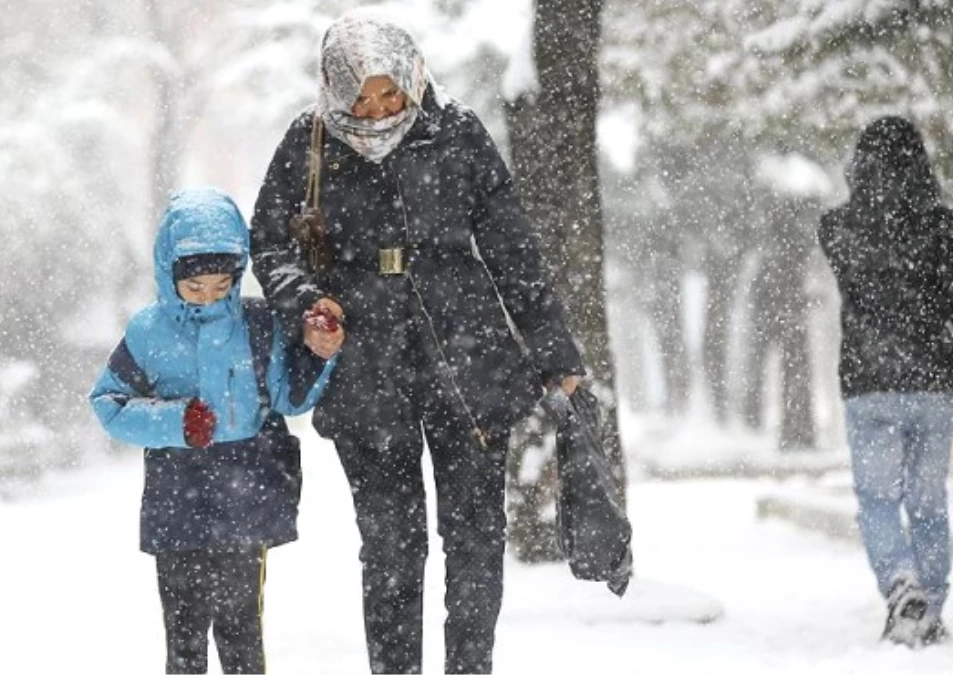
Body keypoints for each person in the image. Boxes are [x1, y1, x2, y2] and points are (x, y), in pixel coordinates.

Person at [249, 11, 584, 675]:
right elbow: (271, 241)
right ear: (333, 89)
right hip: (364, 369)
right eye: (360, 98)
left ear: (410, 75)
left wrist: (556, 356)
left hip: (470, 361)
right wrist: (307, 302)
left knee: (475, 539)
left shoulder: (456, 132)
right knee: (391, 547)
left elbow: (513, 250)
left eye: (388, 93)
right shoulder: (308, 142)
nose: (376, 111)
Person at [89, 187, 337, 674]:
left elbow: (289, 398)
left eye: (222, 285)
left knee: (242, 626)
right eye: (195, 287)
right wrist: (176, 421)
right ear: (169, 273)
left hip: (247, 493)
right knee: (184, 632)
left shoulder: (258, 323)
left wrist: (320, 355)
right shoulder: (148, 332)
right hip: (177, 494)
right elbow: (109, 404)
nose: (209, 297)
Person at [819, 116, 953, 647]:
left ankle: (902, 587)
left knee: (878, 500)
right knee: (927, 502)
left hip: (869, 383)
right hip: (931, 383)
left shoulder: (837, 227)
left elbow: (863, 268)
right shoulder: (942, 226)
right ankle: (931, 606)